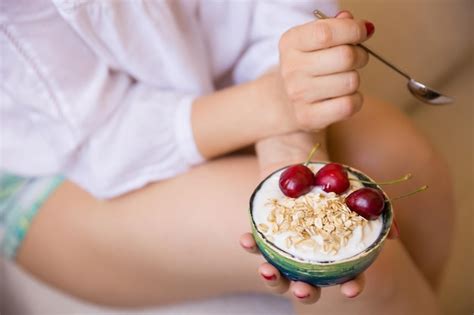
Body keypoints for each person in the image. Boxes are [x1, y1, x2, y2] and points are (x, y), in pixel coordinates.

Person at [0, 1, 453, 314]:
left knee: (406, 161)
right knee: (374, 273)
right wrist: (269, 104)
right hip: (61, 164)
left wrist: (287, 146)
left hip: (220, 80)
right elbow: (100, 138)